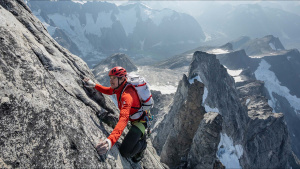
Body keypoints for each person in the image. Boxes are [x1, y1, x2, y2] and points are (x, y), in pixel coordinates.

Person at [83, 66, 147, 163]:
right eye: (110, 78)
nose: (111, 80)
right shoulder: (120, 87)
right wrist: (94, 85)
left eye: (114, 78)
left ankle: (143, 145)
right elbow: (109, 90)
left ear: (122, 79)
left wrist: (110, 141)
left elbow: (124, 119)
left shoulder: (127, 95)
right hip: (133, 118)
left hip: (140, 122)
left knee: (125, 152)